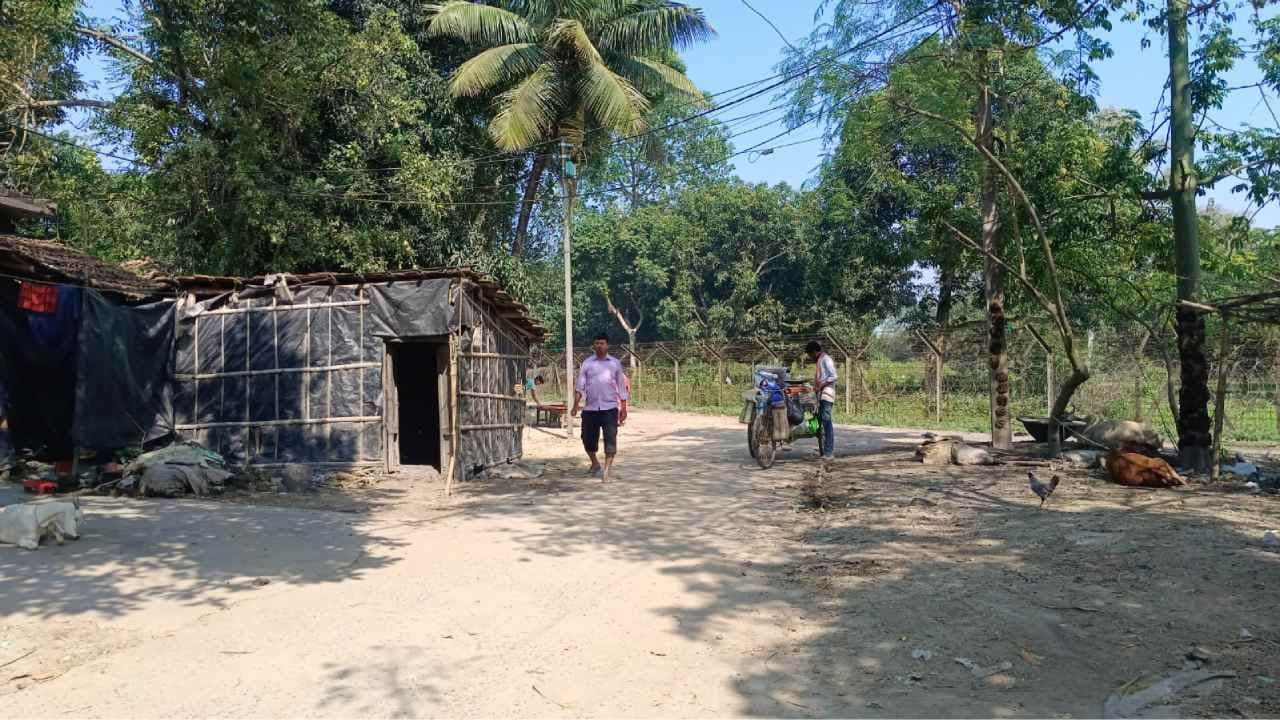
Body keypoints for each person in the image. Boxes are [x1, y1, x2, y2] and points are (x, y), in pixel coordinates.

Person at [572, 333, 629, 481]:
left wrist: (623, 408)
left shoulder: (615, 363)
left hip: (610, 408)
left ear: (607, 345)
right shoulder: (587, 363)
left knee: (610, 439)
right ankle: (595, 463)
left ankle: (607, 470)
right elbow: (580, 387)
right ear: (593, 345)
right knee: (587, 439)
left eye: (602, 343)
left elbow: (622, 388)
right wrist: (575, 405)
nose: (599, 346)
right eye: (596, 343)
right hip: (590, 409)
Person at [806, 340, 837, 460]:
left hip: (827, 394)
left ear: (815, 351)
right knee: (819, 421)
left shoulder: (826, 359)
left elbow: (834, 376)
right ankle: (824, 450)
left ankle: (829, 452)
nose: (811, 357)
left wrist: (821, 386)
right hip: (822, 394)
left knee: (826, 422)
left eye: (810, 355)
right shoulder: (820, 360)